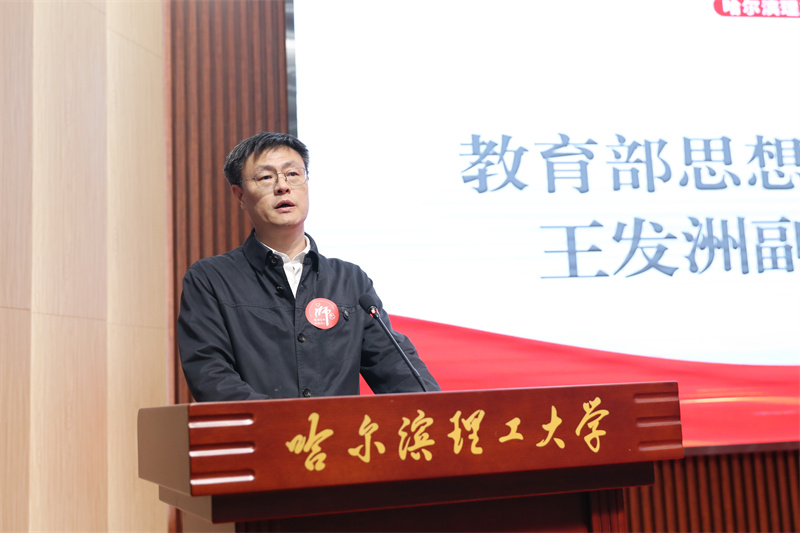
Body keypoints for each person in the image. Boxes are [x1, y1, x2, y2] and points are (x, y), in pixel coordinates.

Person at [177, 132, 440, 401]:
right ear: (240, 195)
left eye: (293, 174)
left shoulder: (350, 282)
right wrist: (290, 422)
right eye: (266, 177)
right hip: (265, 429)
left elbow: (395, 366)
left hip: (339, 430)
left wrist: (440, 409)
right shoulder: (211, 280)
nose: (283, 186)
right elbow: (211, 376)